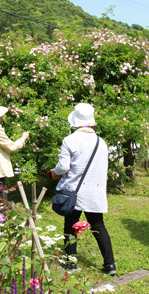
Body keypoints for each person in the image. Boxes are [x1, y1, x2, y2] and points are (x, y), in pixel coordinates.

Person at [49, 103, 116, 275]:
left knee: (70, 226)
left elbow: (63, 167)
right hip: (95, 189)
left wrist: (54, 174)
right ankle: (110, 265)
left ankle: (71, 262)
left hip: (74, 190)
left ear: (75, 121)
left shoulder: (70, 140)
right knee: (98, 226)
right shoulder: (101, 142)